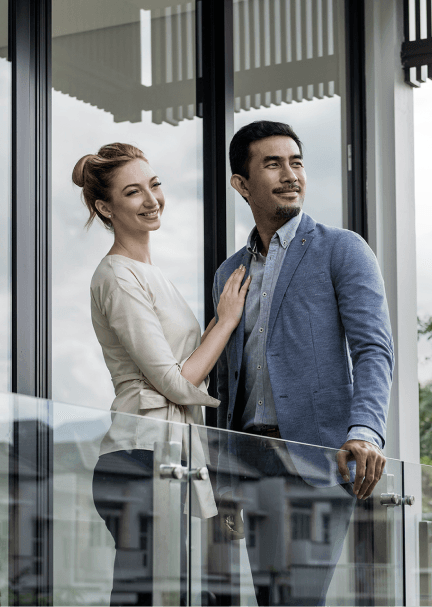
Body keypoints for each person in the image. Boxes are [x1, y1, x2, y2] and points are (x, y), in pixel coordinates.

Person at [211, 121, 395, 606]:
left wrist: (364, 432)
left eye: (295, 162)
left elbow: (374, 349)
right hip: (248, 463)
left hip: (317, 460)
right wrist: (222, 477)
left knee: (299, 601)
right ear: (242, 184)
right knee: (268, 599)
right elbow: (228, 381)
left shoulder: (342, 249)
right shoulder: (229, 274)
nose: (290, 174)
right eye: (272, 164)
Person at [75, 143, 251, 607]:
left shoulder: (153, 275)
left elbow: (183, 363)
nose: (151, 199)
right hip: (140, 455)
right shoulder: (116, 275)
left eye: (154, 185)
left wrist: (219, 320)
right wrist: (227, 321)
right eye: (133, 192)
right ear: (104, 207)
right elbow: (172, 382)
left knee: (186, 590)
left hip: (173, 452)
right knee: (145, 596)